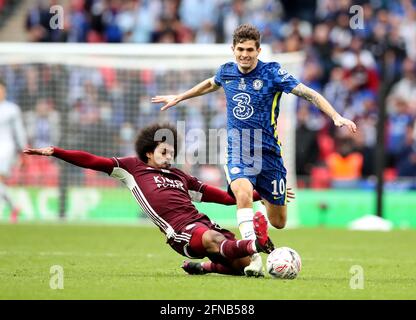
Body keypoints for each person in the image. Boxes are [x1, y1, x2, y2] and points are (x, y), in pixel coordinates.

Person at [151, 23, 357, 276]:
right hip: (239, 150)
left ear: (259, 50)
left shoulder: (272, 73)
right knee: (243, 192)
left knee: (279, 222)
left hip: (270, 154)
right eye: (240, 49)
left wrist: (336, 116)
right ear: (233, 49)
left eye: (250, 50)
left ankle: (261, 221)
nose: (245, 54)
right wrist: (180, 96)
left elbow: (308, 93)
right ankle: (254, 257)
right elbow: (209, 83)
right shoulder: (226, 72)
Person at [23, 123, 287, 276]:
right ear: (149, 152)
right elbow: (92, 160)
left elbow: (225, 198)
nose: (169, 155)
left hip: (202, 222)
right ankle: (256, 243)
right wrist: (55, 151)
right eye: (164, 151)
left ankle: (207, 267)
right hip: (180, 232)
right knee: (216, 241)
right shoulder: (131, 168)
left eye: (172, 151)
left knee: (244, 267)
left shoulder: (181, 176)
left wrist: (261, 196)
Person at [0, 79, 28, 223]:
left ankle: (12, 207)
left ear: (5, 91)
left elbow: (19, 131)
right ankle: (14, 207)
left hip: (6, 148)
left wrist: (24, 151)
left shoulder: (12, 109)